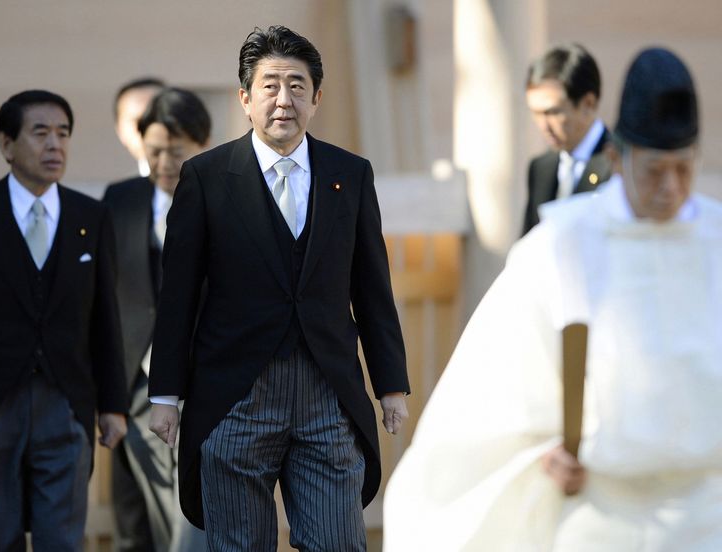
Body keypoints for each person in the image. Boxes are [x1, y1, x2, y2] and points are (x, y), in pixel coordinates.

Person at [384, 47, 722, 551]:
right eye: (654, 170)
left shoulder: (714, 237)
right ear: (619, 156)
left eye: (684, 168)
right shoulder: (562, 242)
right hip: (599, 506)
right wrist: (540, 449)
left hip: (707, 508)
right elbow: (498, 378)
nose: (670, 188)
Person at [147, 25, 410, 551]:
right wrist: (165, 395)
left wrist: (391, 385)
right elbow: (177, 296)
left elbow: (372, 287)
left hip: (327, 393)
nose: (283, 100)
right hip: (234, 394)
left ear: (316, 98)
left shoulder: (350, 174)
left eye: (297, 85)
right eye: (269, 86)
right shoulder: (205, 176)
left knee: (337, 543)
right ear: (245, 99)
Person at [0, 89, 128, 550]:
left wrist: (112, 405)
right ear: (6, 143)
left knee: (62, 538)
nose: (55, 145)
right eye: (40, 133)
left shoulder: (90, 216)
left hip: (66, 402)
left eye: (63, 134)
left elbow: (104, 318)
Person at [104, 87, 210, 552]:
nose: (165, 163)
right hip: (136, 382)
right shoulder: (120, 199)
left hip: (203, 378)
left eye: (177, 152)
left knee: (192, 510)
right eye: (154, 152)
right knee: (143, 512)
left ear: (202, 145)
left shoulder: (225, 197)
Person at [522, 44, 613, 235]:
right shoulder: (541, 168)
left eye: (553, 112)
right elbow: (527, 249)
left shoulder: (619, 165)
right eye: (535, 113)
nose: (543, 125)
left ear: (588, 103)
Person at [115, 77, 165, 177]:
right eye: (136, 121)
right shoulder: (120, 191)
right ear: (120, 131)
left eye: (155, 117)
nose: (146, 128)